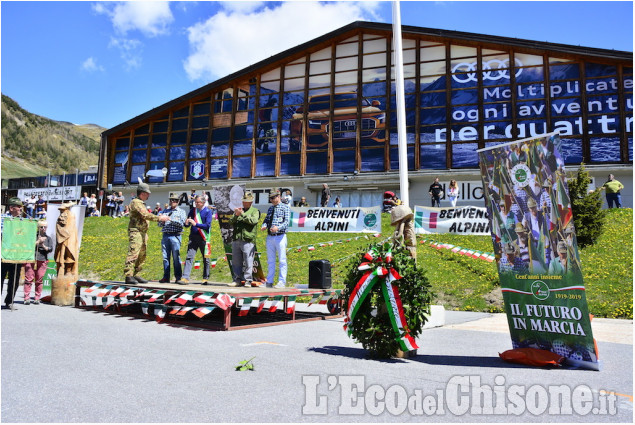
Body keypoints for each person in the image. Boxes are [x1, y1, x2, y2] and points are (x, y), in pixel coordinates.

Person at [124, 183, 169, 284]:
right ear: (143, 193)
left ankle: (136, 274)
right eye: (148, 193)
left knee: (142, 254)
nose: (149, 196)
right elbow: (145, 214)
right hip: (136, 231)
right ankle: (129, 275)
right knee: (134, 252)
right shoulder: (136, 202)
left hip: (142, 232)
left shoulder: (140, 202)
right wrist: (159, 218)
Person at [229, 191, 260, 287]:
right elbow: (231, 222)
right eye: (243, 201)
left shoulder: (255, 211)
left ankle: (248, 280)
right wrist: (236, 215)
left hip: (248, 239)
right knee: (236, 261)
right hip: (237, 238)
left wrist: (242, 214)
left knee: (248, 261)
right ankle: (237, 279)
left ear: (251, 202)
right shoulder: (239, 210)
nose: (244, 203)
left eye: (246, 201)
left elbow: (253, 221)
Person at [261, 189, 290, 288]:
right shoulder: (270, 208)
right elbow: (266, 219)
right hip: (270, 236)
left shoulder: (285, 207)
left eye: (274, 198)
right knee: (270, 260)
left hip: (280, 236)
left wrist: (278, 227)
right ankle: (269, 281)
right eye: (271, 198)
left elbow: (286, 222)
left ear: (279, 197)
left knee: (282, 260)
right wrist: (264, 225)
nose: (272, 200)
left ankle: (282, 281)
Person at [182, 195, 213, 284]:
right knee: (189, 257)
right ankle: (185, 277)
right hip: (193, 237)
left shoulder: (208, 211)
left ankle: (205, 277)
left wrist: (196, 224)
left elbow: (207, 225)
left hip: (204, 237)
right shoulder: (193, 210)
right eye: (195, 202)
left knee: (206, 258)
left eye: (198, 202)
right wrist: (187, 223)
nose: (196, 204)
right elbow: (188, 223)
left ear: (203, 202)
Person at [158, 193, 187, 284]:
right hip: (165, 235)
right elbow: (159, 224)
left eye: (174, 200)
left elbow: (181, 224)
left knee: (176, 257)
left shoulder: (181, 211)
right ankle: (166, 277)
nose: (171, 202)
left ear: (177, 202)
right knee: (165, 257)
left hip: (175, 235)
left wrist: (170, 220)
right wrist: (162, 221)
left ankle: (178, 277)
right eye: (170, 200)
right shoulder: (165, 211)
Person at [2, 198, 25, 308]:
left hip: (17, 254)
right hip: (3, 254)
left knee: (14, 279)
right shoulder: (2, 219)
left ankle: (9, 301)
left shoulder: (23, 221)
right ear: (11, 208)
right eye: (18, 207)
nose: (21, 209)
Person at [23, 220, 53, 305]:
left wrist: (43, 245)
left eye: (45, 227)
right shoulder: (32, 236)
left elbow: (50, 249)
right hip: (31, 259)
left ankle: (37, 298)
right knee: (29, 279)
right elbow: (29, 246)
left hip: (42, 260)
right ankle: (26, 298)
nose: (43, 229)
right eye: (41, 227)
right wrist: (38, 242)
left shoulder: (48, 238)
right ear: (38, 228)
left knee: (39, 280)